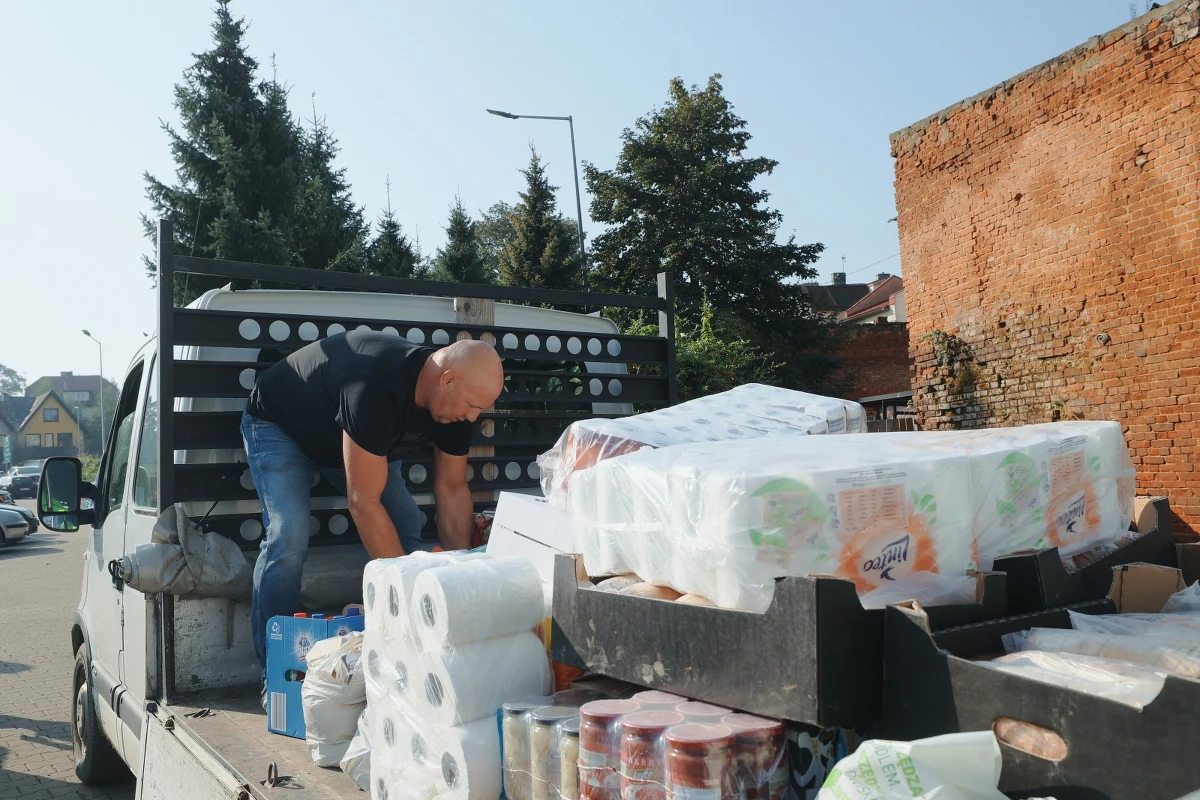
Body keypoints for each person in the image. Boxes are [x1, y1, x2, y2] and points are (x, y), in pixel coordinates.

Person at [241, 330, 504, 674]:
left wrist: (462, 577)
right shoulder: (374, 386)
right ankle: (275, 671)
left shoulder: (457, 404)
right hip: (281, 425)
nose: (473, 417)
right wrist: (407, 592)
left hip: (351, 435)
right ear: (448, 379)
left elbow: (452, 490)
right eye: (472, 406)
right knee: (287, 534)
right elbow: (362, 500)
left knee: (406, 521)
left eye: (479, 409)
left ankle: (417, 647)